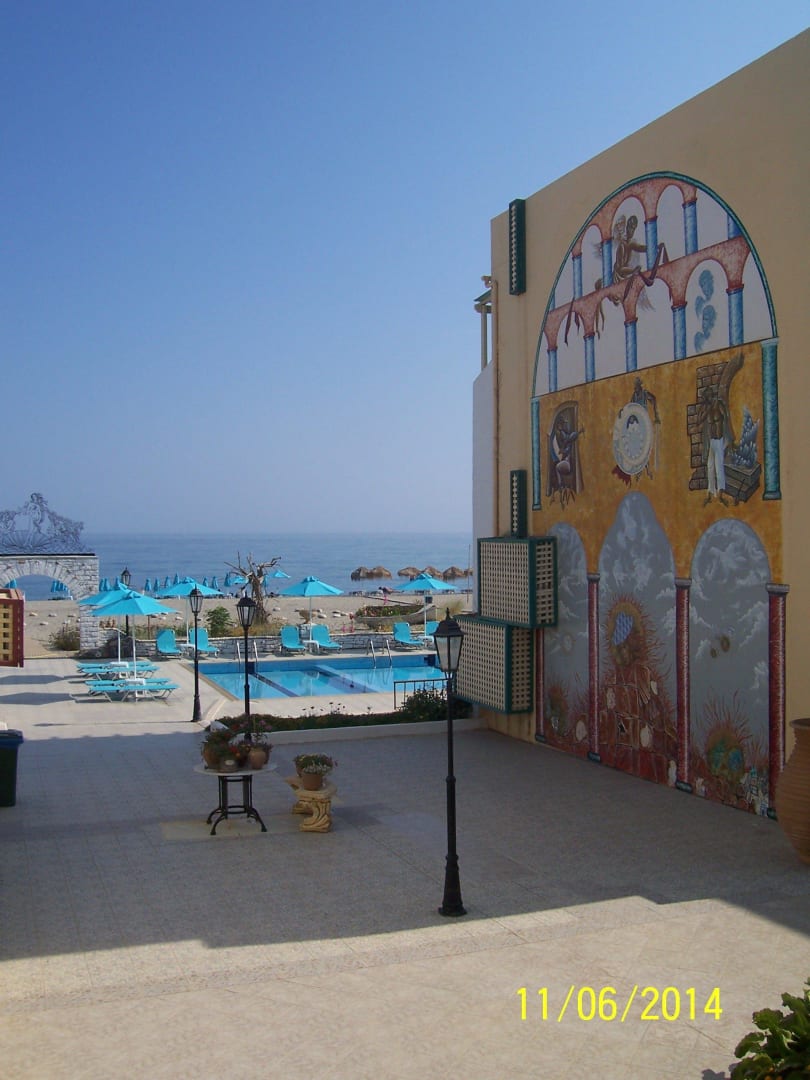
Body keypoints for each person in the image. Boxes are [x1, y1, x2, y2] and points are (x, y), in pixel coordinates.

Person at [698, 385, 735, 505]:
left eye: (706, 397)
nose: (706, 399)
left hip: (719, 440)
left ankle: (720, 493)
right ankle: (710, 492)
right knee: (710, 467)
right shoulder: (706, 408)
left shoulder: (719, 405)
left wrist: (730, 439)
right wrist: (706, 409)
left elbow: (726, 420)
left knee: (719, 467)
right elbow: (700, 420)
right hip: (711, 441)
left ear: (710, 395)